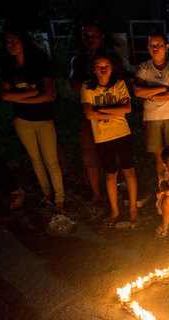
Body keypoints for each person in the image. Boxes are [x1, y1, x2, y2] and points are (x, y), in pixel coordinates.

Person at [0, 26, 65, 211]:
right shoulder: (8, 67)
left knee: (51, 161)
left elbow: (47, 94)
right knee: (35, 159)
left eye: (14, 41)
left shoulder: (38, 63)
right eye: (8, 42)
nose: (10, 45)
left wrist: (19, 96)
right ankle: (47, 195)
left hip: (43, 118)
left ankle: (60, 199)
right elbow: (4, 95)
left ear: (23, 42)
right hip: (22, 120)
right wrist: (33, 94)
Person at [81, 51, 139, 227]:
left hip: (122, 133)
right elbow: (89, 114)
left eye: (106, 65)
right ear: (93, 69)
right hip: (103, 137)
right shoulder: (88, 87)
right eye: (99, 66)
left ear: (112, 67)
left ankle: (133, 210)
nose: (103, 69)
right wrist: (115, 109)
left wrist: (101, 111)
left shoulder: (119, 84)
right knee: (110, 173)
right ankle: (115, 211)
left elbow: (127, 108)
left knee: (129, 170)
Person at [134, 32, 169, 177]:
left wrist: (151, 95)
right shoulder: (143, 68)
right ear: (148, 47)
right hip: (152, 117)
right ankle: (163, 187)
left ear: (166, 47)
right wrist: (164, 89)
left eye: (159, 45)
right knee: (159, 156)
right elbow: (138, 91)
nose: (156, 48)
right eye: (152, 45)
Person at [70, 23, 106, 204]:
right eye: (87, 36)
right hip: (87, 115)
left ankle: (111, 191)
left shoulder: (111, 59)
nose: (90, 39)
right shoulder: (78, 60)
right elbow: (74, 85)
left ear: (102, 37)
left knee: (110, 155)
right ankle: (96, 193)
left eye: (94, 35)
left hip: (109, 115)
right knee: (89, 153)